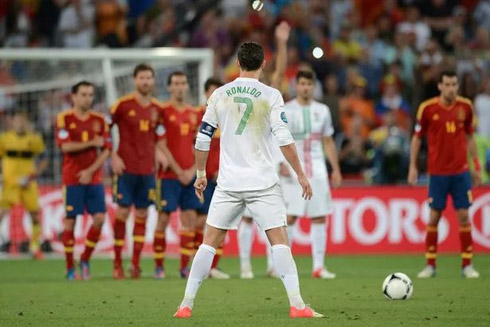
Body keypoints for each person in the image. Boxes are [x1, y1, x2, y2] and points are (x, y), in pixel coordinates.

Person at [174, 41, 323, 319]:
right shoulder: (271, 95)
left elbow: (203, 137)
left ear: (238, 63)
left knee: (208, 243)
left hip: (229, 183)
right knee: (279, 241)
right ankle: (297, 305)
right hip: (263, 183)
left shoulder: (219, 94)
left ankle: (185, 305)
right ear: (263, 64)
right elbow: (284, 138)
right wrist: (301, 174)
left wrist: (201, 174)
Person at [408, 70, 481, 279]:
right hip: (437, 172)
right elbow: (416, 139)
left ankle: (467, 265)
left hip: (460, 172)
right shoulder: (428, 108)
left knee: (464, 216)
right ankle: (430, 265)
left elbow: (470, 137)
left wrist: (476, 165)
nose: (451, 88)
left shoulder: (465, 107)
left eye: (454, 84)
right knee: (434, 217)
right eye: (447, 84)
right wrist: (413, 166)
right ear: (440, 86)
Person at [237, 21, 290, 280]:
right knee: (249, 218)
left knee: (273, 218)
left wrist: (281, 43)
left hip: (267, 160)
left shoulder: (270, 95)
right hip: (250, 161)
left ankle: (271, 266)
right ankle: (246, 265)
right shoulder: (245, 94)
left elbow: (279, 72)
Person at [282, 70, 342, 279]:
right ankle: (283, 266)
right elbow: (277, 138)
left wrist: (335, 169)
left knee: (319, 216)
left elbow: (328, 141)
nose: (305, 87)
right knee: (289, 217)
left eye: (309, 84)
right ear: (296, 86)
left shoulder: (323, 110)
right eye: (302, 84)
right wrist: (279, 162)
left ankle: (318, 267)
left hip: (317, 169)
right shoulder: (286, 110)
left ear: (314, 87)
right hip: (292, 170)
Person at [111, 64, 165, 279]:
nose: (145, 82)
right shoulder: (122, 105)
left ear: (153, 81)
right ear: (135, 80)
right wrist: (113, 156)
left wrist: (160, 152)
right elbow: (105, 129)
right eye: (141, 78)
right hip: (126, 169)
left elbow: (160, 136)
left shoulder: (157, 109)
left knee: (142, 215)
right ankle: (117, 264)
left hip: (147, 171)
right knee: (122, 214)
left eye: (149, 78)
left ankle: (135, 264)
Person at [55, 81, 111, 280]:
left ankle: (85, 258)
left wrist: (90, 170)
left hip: (93, 177)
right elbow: (65, 147)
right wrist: (90, 143)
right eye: (84, 94)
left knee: (99, 218)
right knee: (70, 222)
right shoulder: (64, 118)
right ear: (74, 97)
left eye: (90, 94)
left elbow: (107, 149)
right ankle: (70, 267)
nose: (88, 98)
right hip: (72, 178)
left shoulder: (100, 119)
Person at [157, 71, 203, 279]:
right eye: (175, 83)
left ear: (187, 86)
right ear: (169, 87)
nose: (180, 86)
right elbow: (160, 143)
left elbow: (200, 145)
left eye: (183, 82)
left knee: (190, 219)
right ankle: (159, 267)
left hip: (189, 174)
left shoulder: (195, 114)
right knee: (163, 219)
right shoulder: (162, 112)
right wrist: (178, 170)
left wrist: (192, 171)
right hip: (168, 176)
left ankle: (185, 267)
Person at [194, 77, 230, 279]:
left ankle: (213, 267)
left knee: (221, 223)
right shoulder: (199, 117)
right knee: (200, 222)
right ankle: (197, 264)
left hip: (224, 178)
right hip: (205, 178)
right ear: (206, 94)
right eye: (212, 92)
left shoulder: (228, 117)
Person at [0, 112, 48, 259]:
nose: (20, 123)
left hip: (28, 183)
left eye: (22, 120)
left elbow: (44, 159)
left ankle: (34, 246)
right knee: (2, 212)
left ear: (26, 122)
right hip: (11, 182)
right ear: (12, 122)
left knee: (34, 214)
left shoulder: (34, 139)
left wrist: (34, 175)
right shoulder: (4, 139)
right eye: (17, 120)